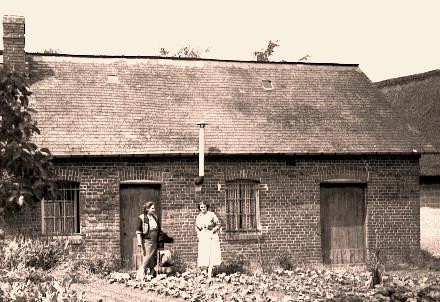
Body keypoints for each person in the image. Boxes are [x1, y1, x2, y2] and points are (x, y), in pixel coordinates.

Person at [195, 201, 221, 283]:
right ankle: (204, 271)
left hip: (211, 236)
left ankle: (211, 271)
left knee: (212, 252)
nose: (203, 209)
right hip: (203, 236)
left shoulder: (211, 215)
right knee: (203, 253)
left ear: (207, 207)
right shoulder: (198, 216)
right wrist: (198, 233)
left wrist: (213, 231)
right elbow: (196, 227)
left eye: (204, 207)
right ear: (200, 208)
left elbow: (218, 224)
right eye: (201, 207)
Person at [136, 201, 160, 278]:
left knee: (153, 257)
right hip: (147, 241)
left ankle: (151, 273)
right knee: (147, 257)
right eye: (152, 208)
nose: (154, 209)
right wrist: (139, 242)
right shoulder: (142, 218)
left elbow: (158, 229)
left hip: (155, 241)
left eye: (154, 208)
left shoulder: (155, 217)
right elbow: (138, 231)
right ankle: (140, 273)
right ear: (147, 209)